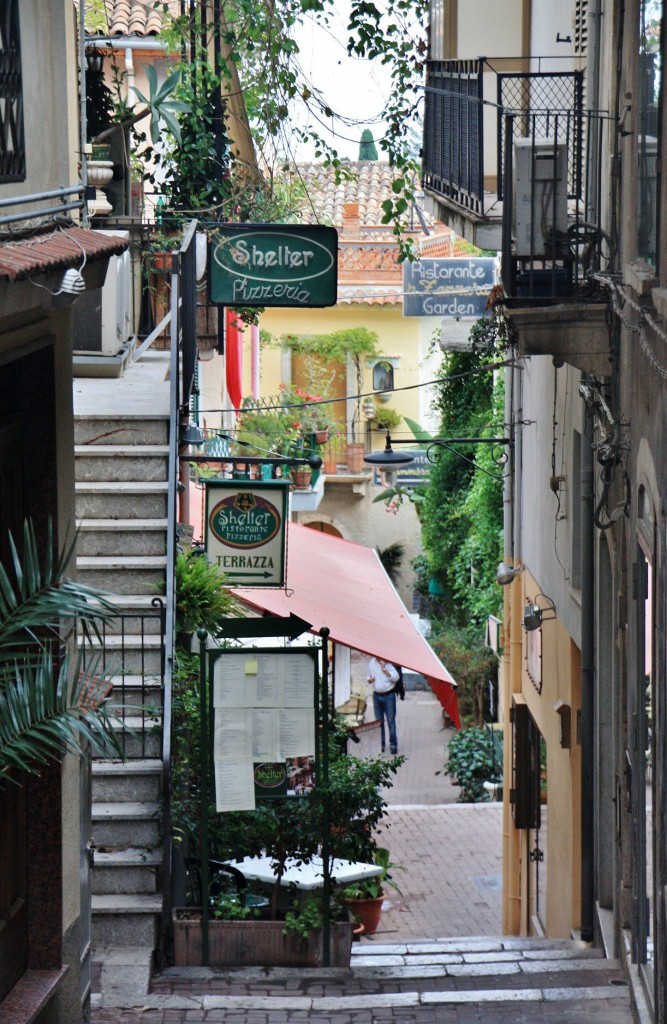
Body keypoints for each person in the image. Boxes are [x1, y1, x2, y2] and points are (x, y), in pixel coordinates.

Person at [367, 656, 400, 754]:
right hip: (377, 696)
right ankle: (381, 744)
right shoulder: (372, 662)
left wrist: (384, 669)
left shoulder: (388, 663)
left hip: (388, 696)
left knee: (391, 721)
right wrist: (370, 680)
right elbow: (368, 677)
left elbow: (396, 678)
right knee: (379, 722)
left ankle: (393, 745)